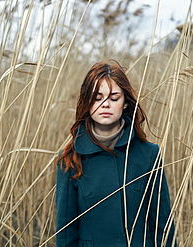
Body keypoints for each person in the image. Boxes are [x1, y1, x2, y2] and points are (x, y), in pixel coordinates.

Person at [55, 59, 175, 246]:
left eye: (114, 98)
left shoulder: (149, 155)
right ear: (87, 102)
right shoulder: (70, 159)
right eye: (97, 97)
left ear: (125, 103)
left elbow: (163, 226)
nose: (105, 104)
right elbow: (65, 233)